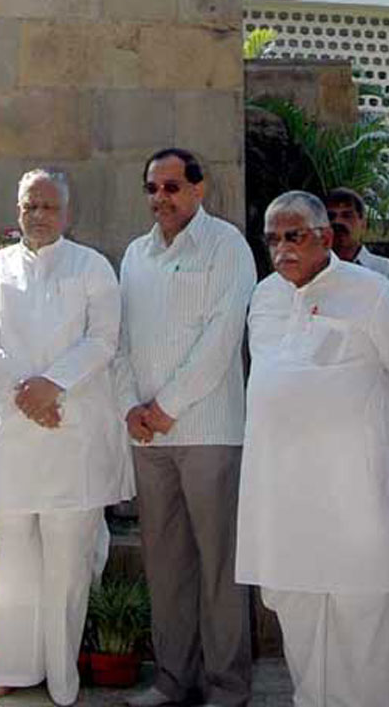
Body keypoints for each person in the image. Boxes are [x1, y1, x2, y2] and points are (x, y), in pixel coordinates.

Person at [0, 169, 131, 706]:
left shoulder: (92, 267)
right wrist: (23, 395)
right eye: (31, 205)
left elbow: (103, 340)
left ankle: (61, 675)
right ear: (18, 210)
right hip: (8, 433)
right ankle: (9, 666)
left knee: (69, 559)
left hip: (74, 433)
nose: (39, 215)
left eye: (49, 206)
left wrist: (53, 388)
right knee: (11, 559)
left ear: (66, 213)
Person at [236, 191, 389, 707]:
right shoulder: (264, 296)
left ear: (325, 238)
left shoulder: (373, 294)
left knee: (362, 615)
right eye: (273, 239)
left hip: (354, 488)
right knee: (299, 610)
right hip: (284, 492)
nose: (282, 248)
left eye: (294, 236)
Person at [116, 148, 256, 707]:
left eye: (172, 187)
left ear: (200, 189)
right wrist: (131, 405)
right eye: (152, 188)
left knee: (220, 566)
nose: (160, 199)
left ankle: (227, 684)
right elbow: (119, 338)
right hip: (149, 437)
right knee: (166, 563)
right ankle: (173, 679)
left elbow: (222, 338)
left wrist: (167, 405)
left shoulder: (228, 247)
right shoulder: (134, 255)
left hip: (209, 432)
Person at [325, 187, 389, 295]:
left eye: (347, 215)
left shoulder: (386, 271)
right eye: (331, 216)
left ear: (363, 224)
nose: (338, 221)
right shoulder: (311, 270)